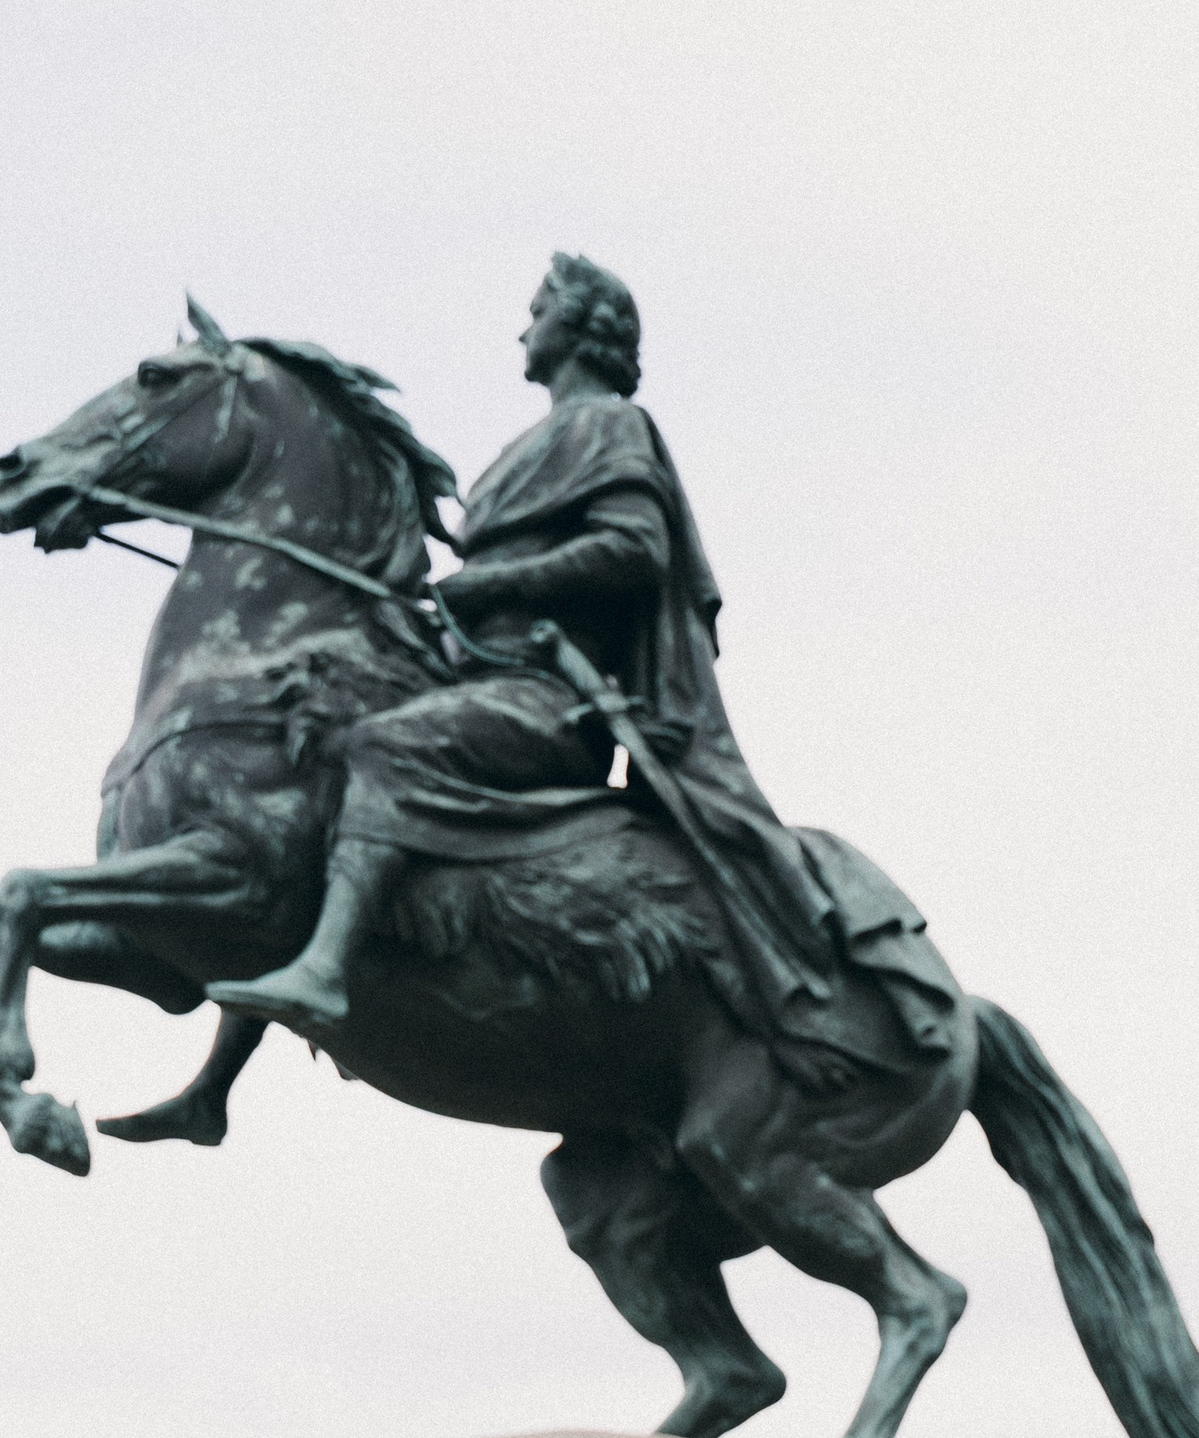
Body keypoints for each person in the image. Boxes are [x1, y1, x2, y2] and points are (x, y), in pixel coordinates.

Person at [208, 252, 838, 1039]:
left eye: (538, 311)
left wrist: (491, 587)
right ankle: (218, 1077)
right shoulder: (524, 447)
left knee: (384, 744)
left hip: (546, 699)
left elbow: (634, 549)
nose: (523, 330)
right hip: (474, 680)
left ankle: (328, 970)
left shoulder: (610, 424)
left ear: (580, 326)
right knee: (305, 760)